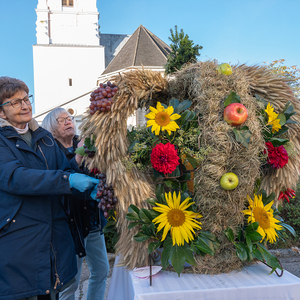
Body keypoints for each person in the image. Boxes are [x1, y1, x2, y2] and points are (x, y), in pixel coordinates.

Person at [0, 77, 100, 300]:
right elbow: (17, 177)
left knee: (53, 292)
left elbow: (64, 170)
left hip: (55, 237)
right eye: (15, 102)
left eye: (26, 99)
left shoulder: (44, 138)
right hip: (21, 240)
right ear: (1, 112)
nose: (25, 105)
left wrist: (85, 189)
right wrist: (68, 181)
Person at [42, 108, 109, 300]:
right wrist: (78, 157)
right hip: (70, 227)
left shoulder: (86, 144)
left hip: (93, 221)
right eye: (60, 120)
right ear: (50, 128)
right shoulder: (50, 152)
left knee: (102, 270)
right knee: (71, 281)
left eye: (69, 118)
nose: (67, 122)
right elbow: (60, 183)